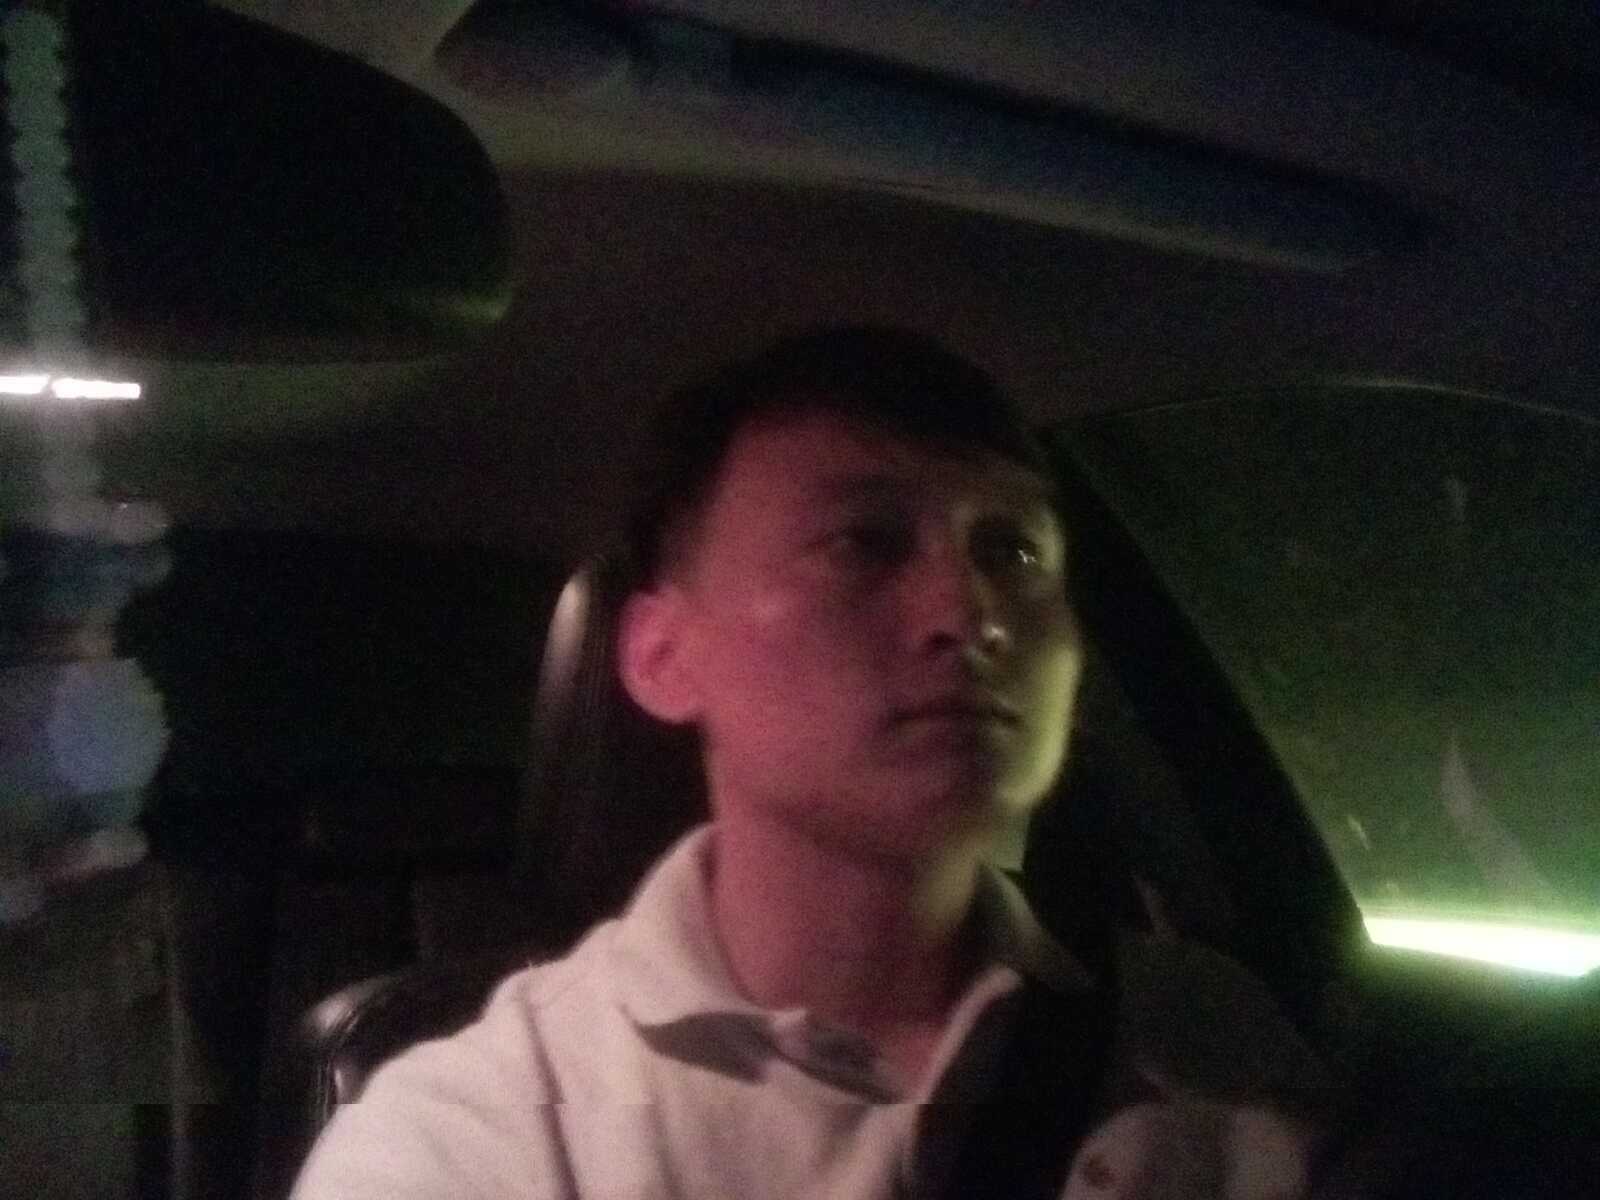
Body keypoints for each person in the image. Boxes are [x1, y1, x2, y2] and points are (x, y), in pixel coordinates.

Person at [292, 327, 1334, 1200]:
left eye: (1012, 550)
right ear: (662, 655)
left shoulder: (1209, 1031)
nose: (970, 612)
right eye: (862, 542)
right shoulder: (478, 1136)